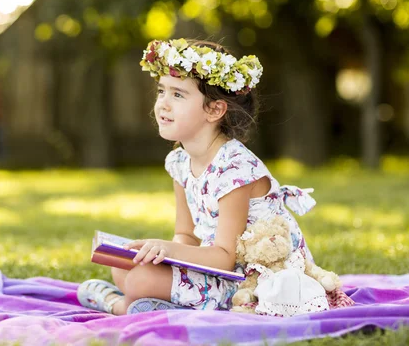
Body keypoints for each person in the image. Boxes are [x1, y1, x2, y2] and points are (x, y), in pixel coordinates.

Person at [77, 38, 318, 316]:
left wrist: (167, 253)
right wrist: (164, 256)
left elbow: (226, 258)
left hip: (255, 281)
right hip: (217, 269)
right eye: (161, 91)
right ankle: (150, 303)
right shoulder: (179, 161)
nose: (163, 105)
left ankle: (118, 305)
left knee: (140, 280)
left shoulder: (235, 168)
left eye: (178, 95)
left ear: (214, 110)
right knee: (123, 266)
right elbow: (186, 235)